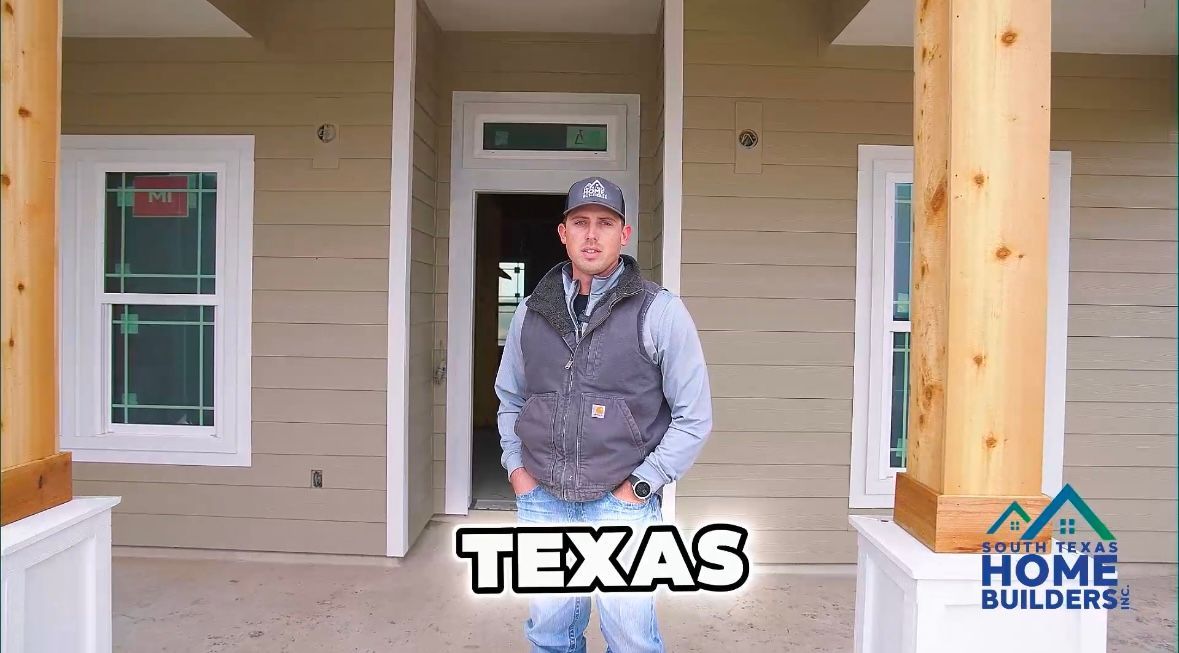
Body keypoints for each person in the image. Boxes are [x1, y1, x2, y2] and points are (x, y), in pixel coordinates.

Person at [495, 176, 713, 653]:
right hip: (543, 498)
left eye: (605, 223)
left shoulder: (659, 311)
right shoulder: (530, 311)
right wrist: (517, 470)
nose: (591, 234)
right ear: (563, 233)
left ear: (624, 234)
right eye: (580, 222)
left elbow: (693, 417)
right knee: (549, 636)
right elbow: (510, 398)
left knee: (631, 640)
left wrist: (640, 486)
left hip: (622, 502)